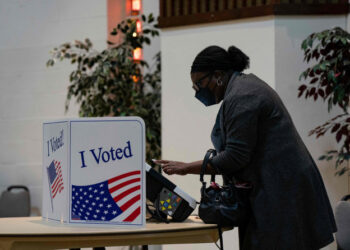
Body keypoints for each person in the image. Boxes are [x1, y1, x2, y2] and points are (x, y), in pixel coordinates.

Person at [153, 45, 337, 250]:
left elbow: (235, 157)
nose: (198, 91)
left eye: (199, 84)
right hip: (273, 186)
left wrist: (186, 168)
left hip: (282, 190)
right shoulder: (241, 88)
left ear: (219, 76)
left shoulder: (243, 96)